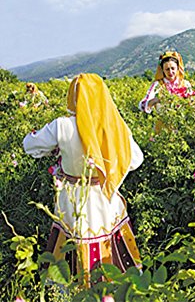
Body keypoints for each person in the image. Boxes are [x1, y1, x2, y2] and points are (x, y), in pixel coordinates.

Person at [23, 73, 143, 287]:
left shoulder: (62, 126)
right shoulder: (114, 125)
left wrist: (57, 150)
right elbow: (135, 159)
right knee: (108, 240)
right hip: (104, 195)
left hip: (74, 196)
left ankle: (72, 291)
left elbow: (30, 145)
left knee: (73, 241)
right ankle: (116, 290)